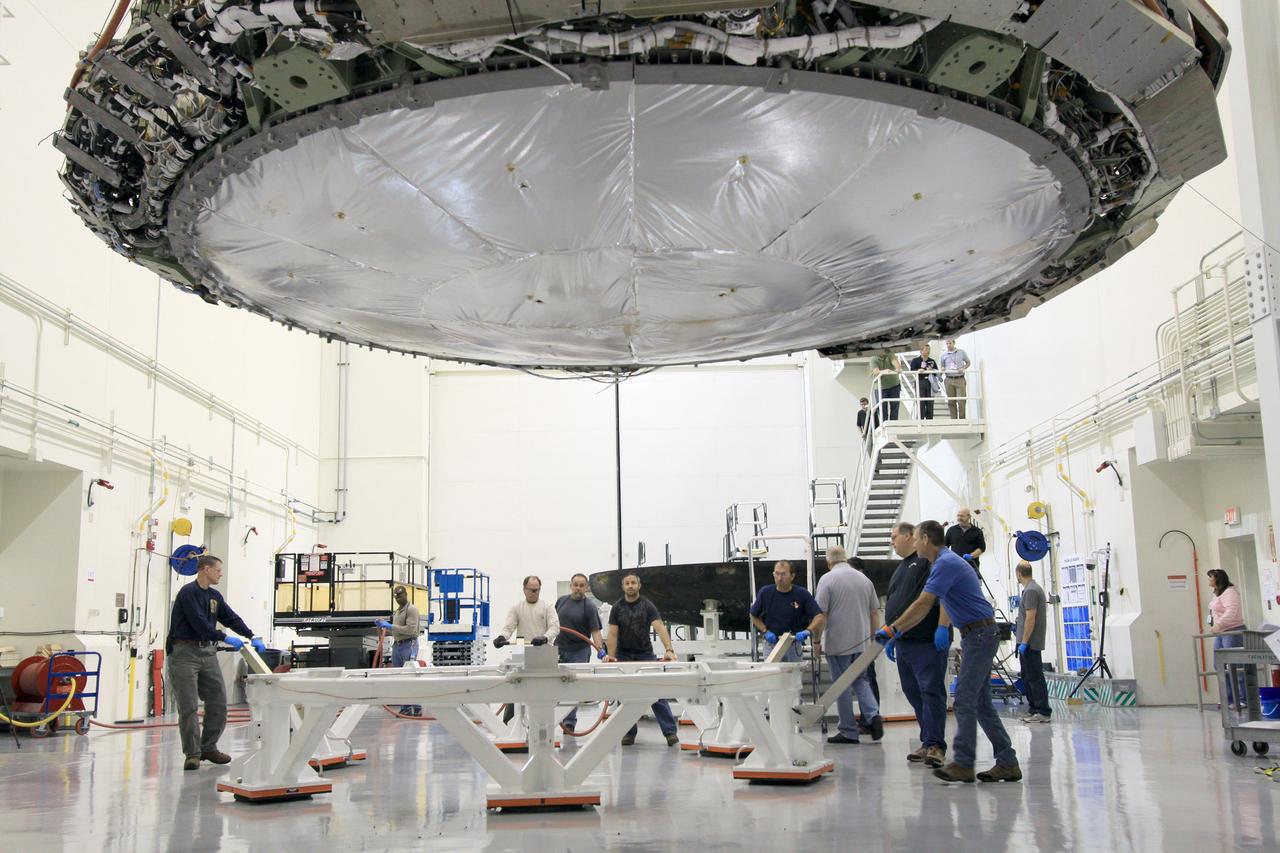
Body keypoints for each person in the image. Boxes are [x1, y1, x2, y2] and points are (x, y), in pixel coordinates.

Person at [878, 521, 1020, 783]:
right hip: (975, 634)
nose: (915, 544)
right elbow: (926, 603)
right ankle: (1008, 762)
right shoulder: (939, 563)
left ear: (925, 539)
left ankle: (964, 764)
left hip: (980, 634)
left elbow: (923, 604)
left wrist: (892, 629)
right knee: (981, 704)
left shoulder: (945, 563)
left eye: (916, 539)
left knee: (964, 699)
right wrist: (896, 632)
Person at [166, 555, 265, 771]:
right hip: (184, 653)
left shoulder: (214, 596)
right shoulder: (188, 593)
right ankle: (192, 754)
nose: (221, 574)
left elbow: (230, 618)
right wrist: (224, 637)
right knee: (188, 706)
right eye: (218, 570)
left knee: (219, 702)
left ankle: (208, 747)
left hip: (207, 653)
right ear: (206, 569)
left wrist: (251, 635)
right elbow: (199, 623)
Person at [883, 522, 951, 767]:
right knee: (913, 692)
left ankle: (936, 746)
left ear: (909, 536)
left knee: (931, 692)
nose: (892, 542)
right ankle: (927, 740)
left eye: (894, 537)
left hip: (927, 640)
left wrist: (942, 626)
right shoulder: (901, 568)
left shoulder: (926, 563)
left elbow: (943, 595)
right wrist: (892, 635)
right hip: (904, 641)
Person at [814, 546, 883, 744]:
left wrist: (817, 641)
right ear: (845, 558)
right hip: (862, 642)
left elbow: (821, 615)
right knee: (861, 680)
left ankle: (848, 731)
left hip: (838, 643)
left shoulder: (827, 579)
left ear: (828, 561)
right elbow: (874, 612)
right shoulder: (864, 579)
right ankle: (873, 715)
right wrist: (873, 640)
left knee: (841, 685)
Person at [604, 572, 680, 746]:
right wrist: (612, 657)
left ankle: (670, 732)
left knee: (656, 693)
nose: (630, 586)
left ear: (639, 585)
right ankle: (628, 734)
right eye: (627, 583)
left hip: (645, 654)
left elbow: (660, 627)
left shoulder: (647, 606)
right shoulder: (617, 607)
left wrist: (669, 650)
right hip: (623, 656)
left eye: (633, 583)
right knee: (624, 696)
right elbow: (613, 633)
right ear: (623, 587)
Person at [493, 575, 560, 722]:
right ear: (524, 590)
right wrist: (502, 637)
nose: (535, 593)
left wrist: (545, 638)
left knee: (543, 691)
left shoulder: (547, 607)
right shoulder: (517, 608)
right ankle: (508, 723)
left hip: (543, 653)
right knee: (515, 688)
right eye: (532, 590)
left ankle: (542, 723)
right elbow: (509, 627)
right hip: (521, 651)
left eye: (537, 590)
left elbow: (555, 628)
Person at [556, 573, 604, 734]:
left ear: (586, 588)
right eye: (575, 585)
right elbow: (552, 624)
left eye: (581, 585)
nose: (578, 588)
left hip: (579, 652)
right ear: (571, 586)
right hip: (559, 649)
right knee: (555, 685)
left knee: (572, 687)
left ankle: (569, 723)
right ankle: (555, 718)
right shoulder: (561, 601)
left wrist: (600, 651)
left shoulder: (589, 606)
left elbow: (595, 631)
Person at [749, 560, 826, 662]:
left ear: (792, 576)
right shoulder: (765, 593)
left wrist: (807, 631)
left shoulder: (801, 593)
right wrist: (764, 631)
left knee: (793, 671)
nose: (779, 578)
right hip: (771, 645)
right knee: (772, 671)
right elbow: (753, 615)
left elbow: (819, 617)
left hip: (793, 645)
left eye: (783, 574)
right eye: (777, 574)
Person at [376, 585, 423, 716]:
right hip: (397, 645)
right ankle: (406, 706)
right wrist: (384, 625)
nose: (398, 598)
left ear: (406, 595)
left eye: (400, 596)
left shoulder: (411, 610)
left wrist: (390, 626)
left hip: (409, 644)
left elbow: (410, 630)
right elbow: (397, 629)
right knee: (400, 676)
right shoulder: (397, 611)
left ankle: (415, 707)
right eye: (396, 596)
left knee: (409, 676)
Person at [1014, 562, 1051, 723]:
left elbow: (1030, 618)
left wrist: (1024, 641)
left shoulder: (1030, 591)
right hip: (1027, 641)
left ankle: (1043, 711)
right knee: (1028, 676)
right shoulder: (1031, 589)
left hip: (1030, 643)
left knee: (1034, 677)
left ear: (1019, 573)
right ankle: (1034, 709)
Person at [1207, 568, 1246, 707]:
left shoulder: (1230, 592)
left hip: (1232, 631)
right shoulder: (1218, 593)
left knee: (1236, 665)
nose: (1209, 580)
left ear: (1218, 579)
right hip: (1222, 633)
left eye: (1211, 577)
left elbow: (1231, 611)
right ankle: (1229, 698)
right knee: (1219, 665)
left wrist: (1219, 624)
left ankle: (1243, 698)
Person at [940, 339, 971, 419]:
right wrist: (942, 369)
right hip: (949, 379)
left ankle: (962, 419)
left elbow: (968, 362)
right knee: (951, 401)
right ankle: (953, 419)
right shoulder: (943, 355)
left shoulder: (961, 352)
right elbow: (942, 366)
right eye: (947, 343)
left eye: (950, 343)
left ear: (954, 343)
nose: (948, 345)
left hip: (960, 379)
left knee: (961, 400)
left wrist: (963, 368)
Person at [908, 343, 939, 420]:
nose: (928, 351)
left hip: (930, 383)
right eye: (926, 349)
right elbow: (911, 370)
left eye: (929, 349)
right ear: (921, 351)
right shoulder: (915, 360)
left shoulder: (932, 361)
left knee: (930, 403)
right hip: (920, 381)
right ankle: (920, 420)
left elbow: (937, 372)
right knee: (920, 402)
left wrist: (932, 370)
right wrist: (918, 370)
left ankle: (929, 421)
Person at [871, 350, 901, 426]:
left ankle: (893, 425)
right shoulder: (873, 359)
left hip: (894, 385)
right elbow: (876, 371)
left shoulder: (889, 354)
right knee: (882, 408)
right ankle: (884, 426)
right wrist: (883, 371)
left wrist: (898, 368)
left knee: (895, 406)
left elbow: (895, 362)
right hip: (881, 388)